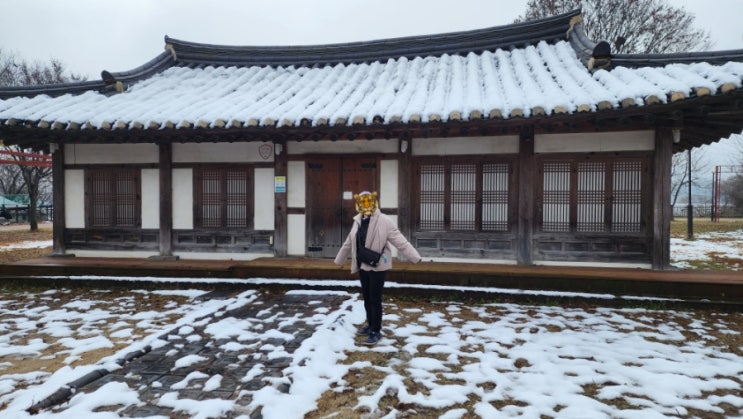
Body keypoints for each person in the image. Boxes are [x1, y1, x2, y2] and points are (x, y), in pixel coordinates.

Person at [334, 191, 422, 346]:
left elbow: (400, 240)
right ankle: (370, 324)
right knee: (367, 297)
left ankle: (376, 330)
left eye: (369, 201)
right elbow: (349, 241)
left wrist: (415, 257)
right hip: (362, 263)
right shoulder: (358, 220)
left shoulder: (384, 221)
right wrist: (339, 259)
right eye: (363, 202)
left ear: (374, 202)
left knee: (375, 298)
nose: (366, 205)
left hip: (378, 264)